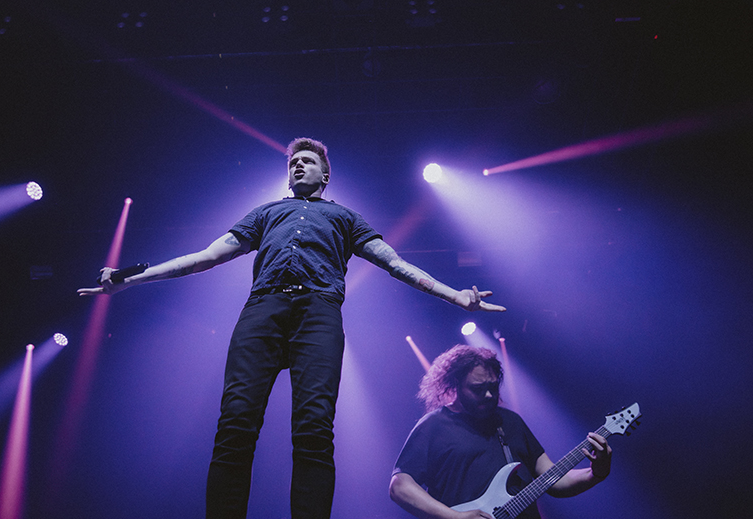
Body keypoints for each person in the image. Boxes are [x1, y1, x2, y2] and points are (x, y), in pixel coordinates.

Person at [77, 138, 506, 519]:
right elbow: (206, 256)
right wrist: (131, 278)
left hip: (319, 312)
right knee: (236, 423)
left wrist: (456, 295)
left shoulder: (346, 218)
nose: (297, 166)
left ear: (325, 173)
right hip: (263, 309)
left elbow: (395, 263)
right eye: (292, 163)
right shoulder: (267, 213)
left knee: (314, 427)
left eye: (306, 161)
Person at [390, 345, 612, 519]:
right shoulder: (434, 426)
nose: (488, 395)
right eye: (477, 389)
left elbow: (553, 480)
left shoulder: (511, 422)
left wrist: (596, 472)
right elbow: (400, 486)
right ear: (454, 385)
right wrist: (454, 517)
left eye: (493, 387)